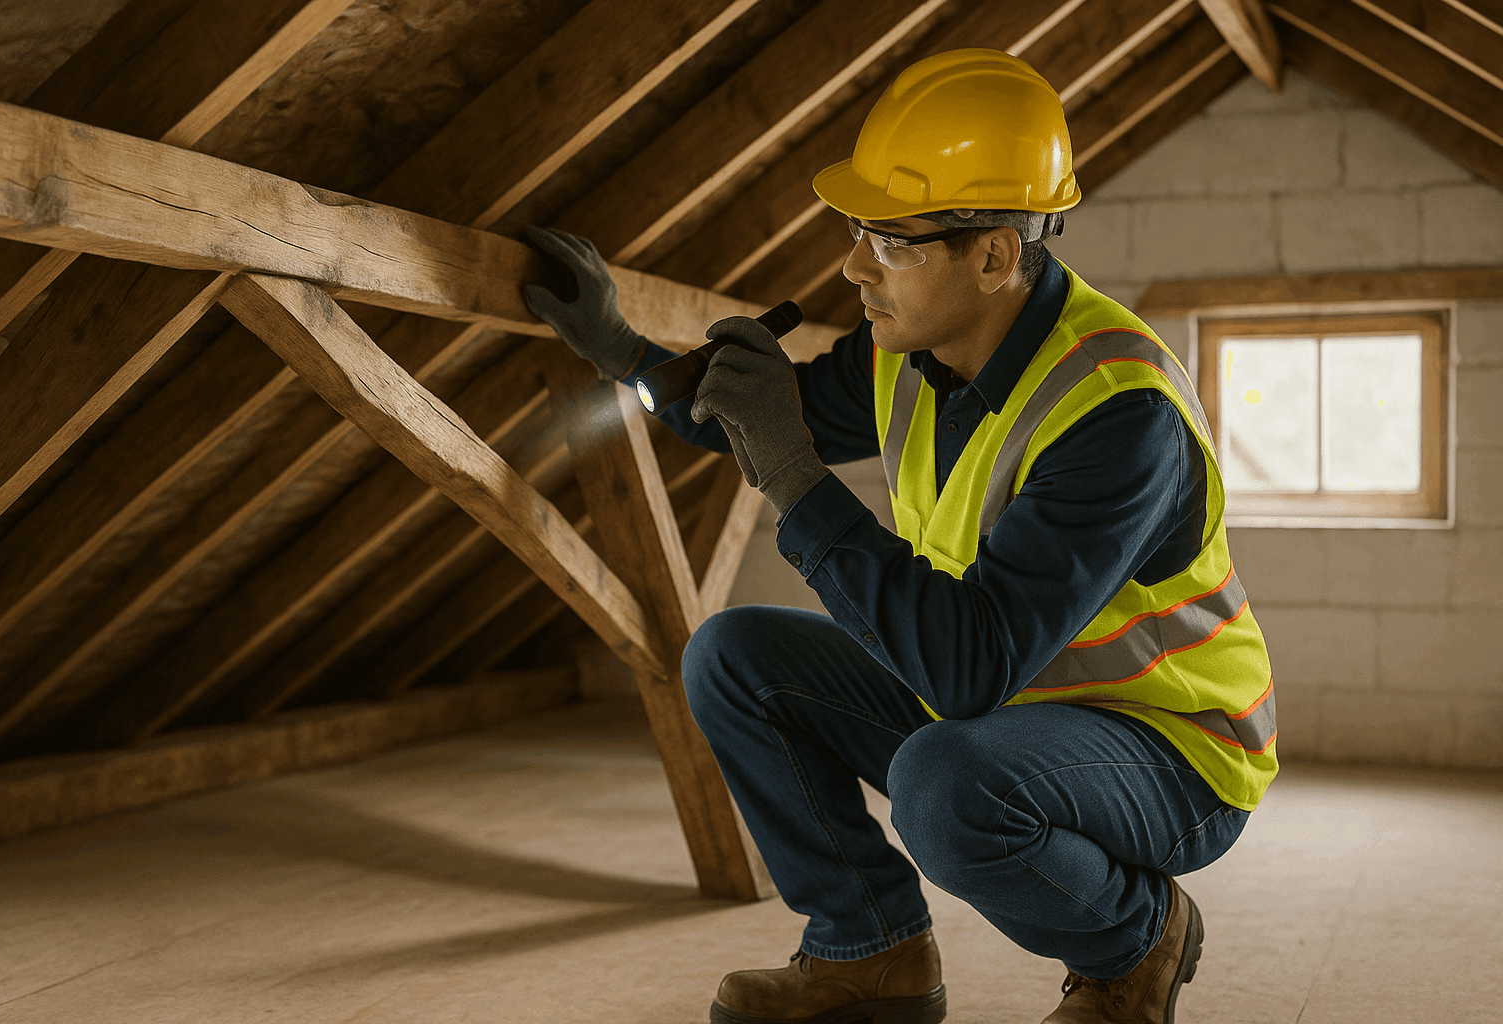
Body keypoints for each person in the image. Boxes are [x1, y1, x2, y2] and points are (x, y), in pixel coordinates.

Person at [521, 48, 1276, 1024]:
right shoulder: (905, 356)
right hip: (1014, 712)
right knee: (731, 654)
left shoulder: (1114, 411)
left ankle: (1139, 936)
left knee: (944, 784)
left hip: (1170, 748)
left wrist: (794, 478)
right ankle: (868, 953)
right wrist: (622, 348)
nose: (853, 266)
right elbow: (744, 414)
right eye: (855, 231)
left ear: (997, 255)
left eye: (890, 240)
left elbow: (968, 669)